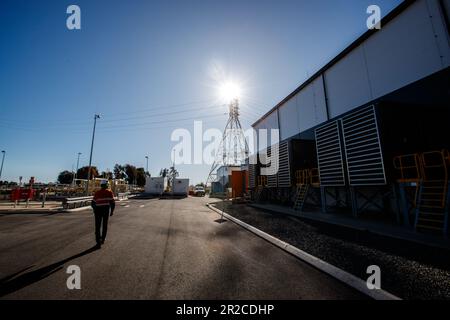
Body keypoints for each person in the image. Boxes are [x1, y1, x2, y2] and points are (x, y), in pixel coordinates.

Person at [91, 180, 115, 247]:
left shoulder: (97, 193)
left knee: (97, 226)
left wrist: (94, 210)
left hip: (98, 210)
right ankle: (103, 239)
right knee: (105, 225)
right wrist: (112, 211)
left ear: (101, 185)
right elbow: (112, 203)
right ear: (106, 185)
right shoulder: (109, 192)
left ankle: (98, 241)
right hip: (105, 210)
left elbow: (93, 203)